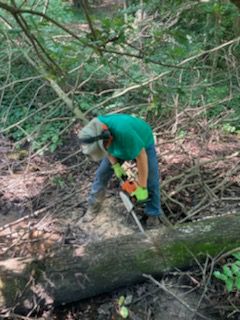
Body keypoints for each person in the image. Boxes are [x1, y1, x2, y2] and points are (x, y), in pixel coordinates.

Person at [78, 113, 162, 226]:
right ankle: (93, 206)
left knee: (151, 179)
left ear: (108, 138)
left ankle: (153, 215)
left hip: (143, 140)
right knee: (101, 174)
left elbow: (141, 157)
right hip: (118, 143)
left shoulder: (124, 132)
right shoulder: (94, 129)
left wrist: (142, 187)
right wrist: (116, 166)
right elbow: (106, 149)